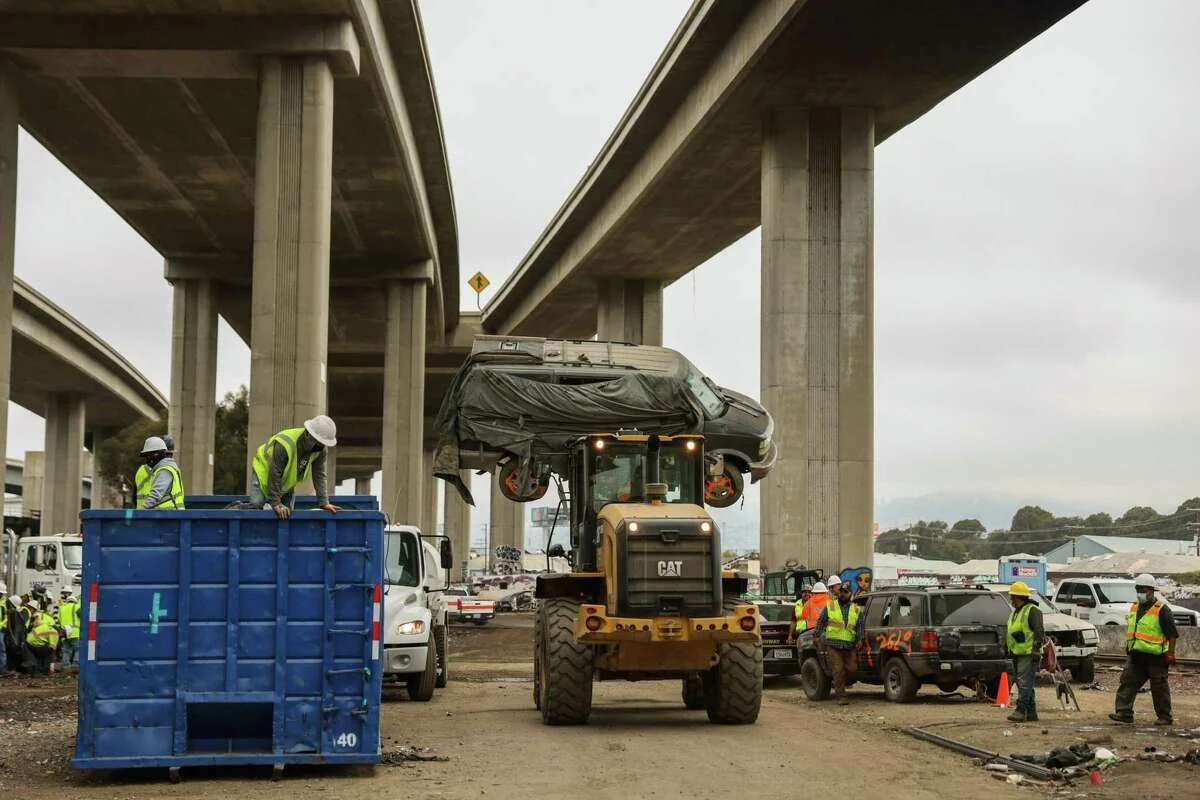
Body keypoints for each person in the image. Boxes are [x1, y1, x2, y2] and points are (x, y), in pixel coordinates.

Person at [1109, 573, 1177, 726]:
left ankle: (1165, 717)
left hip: (1156, 657)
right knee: (1127, 683)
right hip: (1136, 656)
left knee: (1159, 688)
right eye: (1138, 589)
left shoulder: (1162, 610)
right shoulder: (1134, 607)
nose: (1140, 592)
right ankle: (1124, 713)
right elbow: (1133, 630)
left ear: (1152, 591)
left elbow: (1172, 634)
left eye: (1143, 589)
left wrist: (1171, 653)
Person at [249, 416, 341, 519]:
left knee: (287, 515)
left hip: (285, 481)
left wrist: (324, 503)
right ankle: (236, 507)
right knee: (256, 506)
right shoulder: (286, 443)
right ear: (309, 435)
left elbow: (319, 475)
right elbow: (275, 471)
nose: (321, 446)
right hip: (263, 472)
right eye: (319, 442)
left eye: (324, 443)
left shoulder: (320, 450)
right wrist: (275, 502)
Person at [813, 574, 864, 705]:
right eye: (840, 592)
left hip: (849, 645)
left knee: (852, 668)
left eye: (845, 593)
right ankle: (841, 696)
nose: (842, 595)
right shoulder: (830, 606)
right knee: (838, 670)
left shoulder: (856, 609)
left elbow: (860, 626)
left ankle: (839, 683)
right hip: (833, 644)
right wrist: (816, 636)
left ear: (849, 594)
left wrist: (860, 639)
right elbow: (821, 622)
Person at [1005, 581, 1045, 723]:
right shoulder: (1016, 612)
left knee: (1024, 683)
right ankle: (1031, 713)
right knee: (1025, 683)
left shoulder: (1032, 610)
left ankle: (1021, 710)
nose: (1011, 600)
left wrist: (1036, 649)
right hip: (1017, 652)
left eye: (1013, 597)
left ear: (1019, 597)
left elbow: (1039, 631)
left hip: (1028, 653)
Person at [139, 436, 186, 509]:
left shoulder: (164, 470)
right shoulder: (168, 468)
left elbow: (155, 495)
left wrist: (141, 512)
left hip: (166, 516)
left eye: (148, 456)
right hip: (171, 515)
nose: (147, 459)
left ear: (156, 455)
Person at [25, 609, 59, 675]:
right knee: (49, 652)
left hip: (28, 645)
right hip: (36, 646)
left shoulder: (38, 627)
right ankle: (46, 670)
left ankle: (37, 669)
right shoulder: (54, 632)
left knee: (40, 653)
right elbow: (52, 647)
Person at [56, 589, 81, 668]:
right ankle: (75, 665)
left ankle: (66, 666)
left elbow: (59, 620)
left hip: (65, 632)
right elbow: (82, 617)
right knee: (78, 649)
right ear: (74, 601)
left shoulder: (62, 608)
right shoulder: (77, 606)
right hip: (75, 632)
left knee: (66, 650)